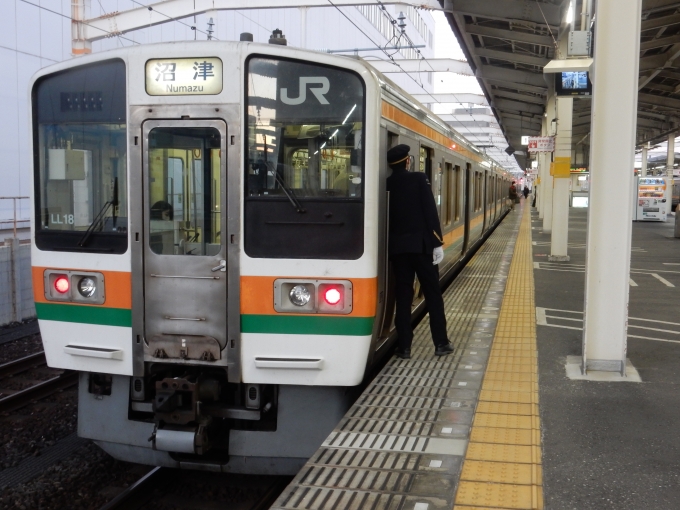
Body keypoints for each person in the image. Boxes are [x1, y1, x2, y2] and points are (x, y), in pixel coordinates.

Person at [386, 144, 454, 359]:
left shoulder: (387, 183)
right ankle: (441, 343)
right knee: (433, 295)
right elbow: (429, 211)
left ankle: (404, 348)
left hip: (398, 250)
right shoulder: (418, 179)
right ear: (408, 161)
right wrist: (438, 242)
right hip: (423, 248)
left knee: (403, 297)